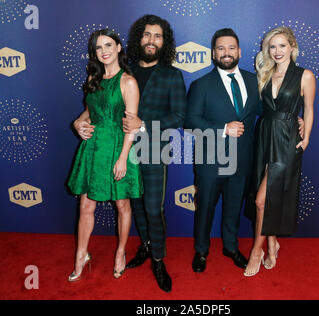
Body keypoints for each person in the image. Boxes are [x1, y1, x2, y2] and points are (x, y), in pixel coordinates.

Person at [74, 15, 187, 292]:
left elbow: (179, 116)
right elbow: (100, 103)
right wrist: (80, 120)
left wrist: (144, 124)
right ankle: (145, 246)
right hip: (116, 148)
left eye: (158, 36)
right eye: (147, 35)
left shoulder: (172, 75)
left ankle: (158, 260)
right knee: (134, 207)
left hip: (151, 150)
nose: (152, 40)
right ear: (138, 39)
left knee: (152, 207)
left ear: (165, 41)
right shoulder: (125, 69)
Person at [67, 28, 143, 282]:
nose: (104, 51)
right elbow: (89, 111)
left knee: (122, 204)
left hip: (119, 147)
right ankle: (81, 254)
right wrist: (78, 123)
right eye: (99, 48)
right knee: (86, 204)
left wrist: (123, 158)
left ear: (119, 47)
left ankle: (120, 252)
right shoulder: (93, 78)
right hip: (94, 147)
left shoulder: (128, 81)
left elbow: (131, 125)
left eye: (108, 45)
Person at [185, 28, 262, 273]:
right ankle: (201, 250)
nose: (226, 53)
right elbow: (191, 121)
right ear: (213, 54)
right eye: (220, 48)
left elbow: (268, 111)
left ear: (239, 51)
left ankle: (230, 246)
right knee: (205, 208)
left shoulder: (254, 80)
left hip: (242, 159)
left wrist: (294, 120)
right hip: (211, 160)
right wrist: (223, 129)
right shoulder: (201, 85)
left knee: (233, 207)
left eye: (231, 48)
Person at [243, 26, 315, 277]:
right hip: (263, 135)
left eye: (282, 46)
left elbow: (309, 108)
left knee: (262, 200)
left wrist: (306, 137)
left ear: (292, 47)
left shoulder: (305, 75)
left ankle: (256, 251)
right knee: (265, 196)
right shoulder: (264, 73)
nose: (276, 51)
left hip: (286, 139)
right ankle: (272, 242)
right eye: (272, 47)